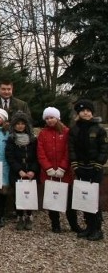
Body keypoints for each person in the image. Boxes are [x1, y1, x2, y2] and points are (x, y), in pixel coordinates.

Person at [69, 99, 108, 241]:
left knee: (93, 199)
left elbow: (104, 149)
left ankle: (97, 228)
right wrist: (75, 165)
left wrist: (98, 165)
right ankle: (88, 226)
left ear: (92, 112)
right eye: (83, 111)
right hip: (80, 167)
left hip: (94, 168)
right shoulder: (75, 130)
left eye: (88, 110)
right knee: (84, 198)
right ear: (78, 113)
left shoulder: (99, 129)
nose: (85, 113)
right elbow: (71, 148)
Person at [37, 106, 80, 233]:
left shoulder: (67, 132)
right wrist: (48, 168)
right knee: (52, 200)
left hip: (64, 173)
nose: (50, 120)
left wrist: (62, 167)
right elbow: (41, 153)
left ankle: (73, 224)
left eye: (52, 117)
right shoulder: (43, 133)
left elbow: (68, 151)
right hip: (48, 173)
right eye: (47, 118)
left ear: (57, 118)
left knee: (69, 200)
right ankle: (55, 224)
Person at [5, 111, 38, 231]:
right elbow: (10, 156)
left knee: (29, 194)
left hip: (30, 170)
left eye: (22, 123)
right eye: (17, 123)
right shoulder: (11, 139)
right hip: (17, 171)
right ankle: (19, 216)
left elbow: (36, 156)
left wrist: (33, 171)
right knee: (17, 195)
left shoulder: (33, 140)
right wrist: (19, 170)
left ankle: (29, 215)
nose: (20, 126)